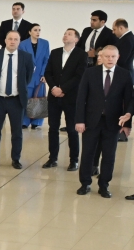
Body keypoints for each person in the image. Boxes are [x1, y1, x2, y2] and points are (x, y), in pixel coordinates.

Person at [74, 44, 134, 198]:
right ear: (100, 56)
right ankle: (85, 183)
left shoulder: (124, 74)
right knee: (87, 153)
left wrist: (127, 124)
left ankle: (104, 185)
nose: (110, 59)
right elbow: (81, 98)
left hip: (113, 122)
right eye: (107, 56)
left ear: (118, 57)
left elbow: (129, 101)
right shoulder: (90, 73)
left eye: (113, 56)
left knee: (109, 155)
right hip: (91, 121)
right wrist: (79, 120)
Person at [0, 28, 33, 169]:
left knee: (17, 132)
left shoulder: (26, 57)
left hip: (16, 100)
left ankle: (16, 159)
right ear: (5, 40)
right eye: (10, 39)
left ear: (19, 42)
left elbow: (28, 77)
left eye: (16, 39)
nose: (12, 41)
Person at [45, 28, 85, 171]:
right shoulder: (55, 52)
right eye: (65, 33)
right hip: (54, 96)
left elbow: (79, 76)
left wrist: (63, 89)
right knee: (53, 128)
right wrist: (54, 87)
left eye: (69, 34)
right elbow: (48, 72)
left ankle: (74, 160)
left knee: (72, 130)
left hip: (71, 97)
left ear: (76, 39)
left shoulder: (81, 54)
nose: (65, 35)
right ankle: (52, 158)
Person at [18, 23, 49, 129]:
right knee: (27, 98)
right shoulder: (23, 44)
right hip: (28, 75)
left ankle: (37, 121)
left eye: (39, 30)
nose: (38, 32)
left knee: (39, 98)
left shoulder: (45, 43)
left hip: (40, 75)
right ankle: (24, 121)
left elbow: (46, 59)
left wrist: (44, 74)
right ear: (30, 32)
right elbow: (21, 60)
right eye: (35, 30)